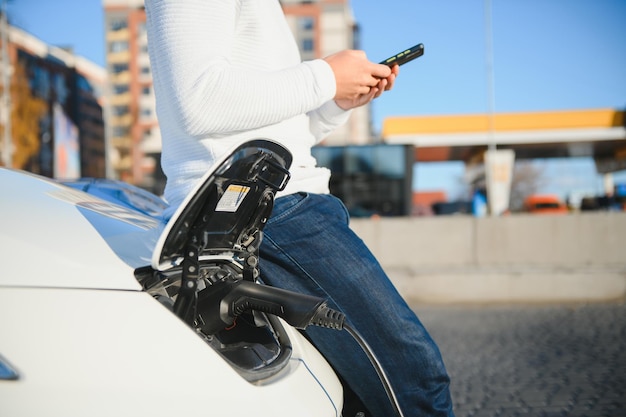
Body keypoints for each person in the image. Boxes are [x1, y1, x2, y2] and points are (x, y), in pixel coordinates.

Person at [145, 1, 454, 416]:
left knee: (347, 398)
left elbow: (279, 133)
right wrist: (326, 76)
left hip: (279, 206)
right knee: (414, 377)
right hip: (262, 213)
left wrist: (336, 101)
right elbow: (198, 101)